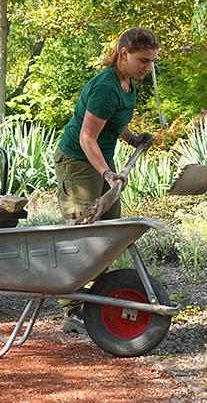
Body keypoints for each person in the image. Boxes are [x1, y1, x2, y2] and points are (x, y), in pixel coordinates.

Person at [53, 27, 159, 332]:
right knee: (82, 237)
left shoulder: (129, 84)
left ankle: (98, 303)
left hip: (102, 160)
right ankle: (72, 312)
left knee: (109, 235)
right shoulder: (105, 87)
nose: (148, 68)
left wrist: (132, 137)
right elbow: (88, 138)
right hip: (78, 161)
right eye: (143, 60)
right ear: (124, 54)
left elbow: (115, 122)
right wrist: (107, 173)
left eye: (151, 61)